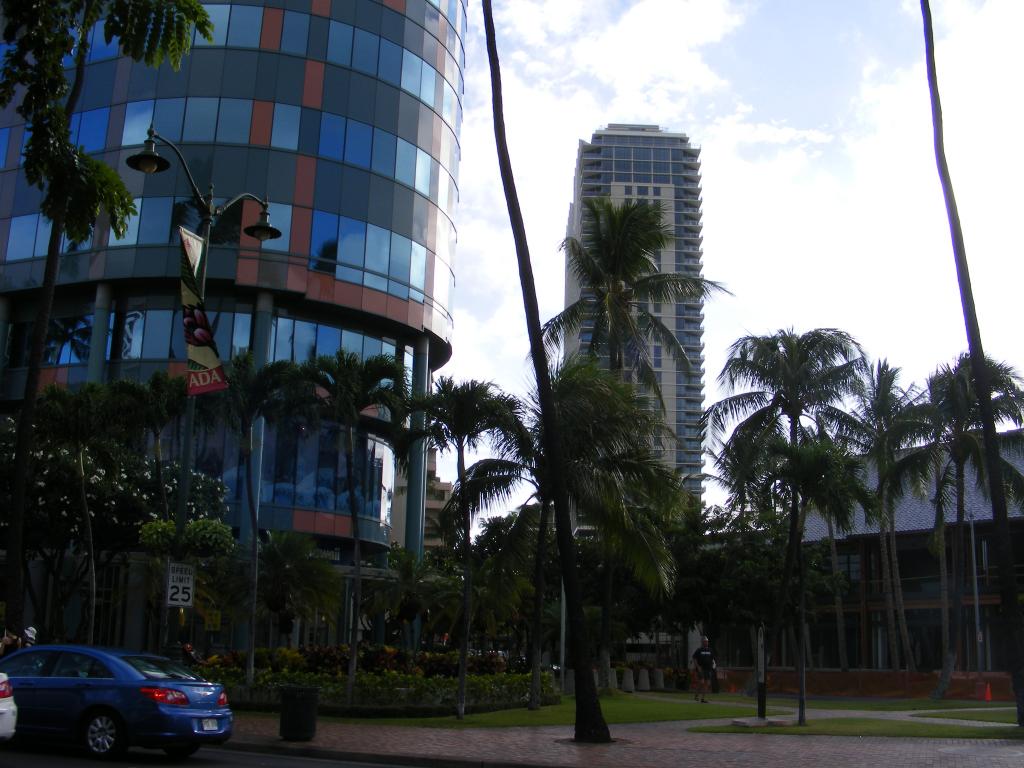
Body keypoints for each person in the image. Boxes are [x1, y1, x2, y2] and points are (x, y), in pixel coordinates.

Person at [691, 635, 717, 703]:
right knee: (701, 682)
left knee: (707, 683)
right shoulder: (699, 650)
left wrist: (713, 666)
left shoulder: (710, 650)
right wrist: (697, 666)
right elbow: (694, 658)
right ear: (702, 642)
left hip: (708, 669)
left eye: (707, 642)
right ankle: (696, 695)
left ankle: (703, 698)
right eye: (705, 641)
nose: (706, 643)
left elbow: (713, 659)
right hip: (701, 668)